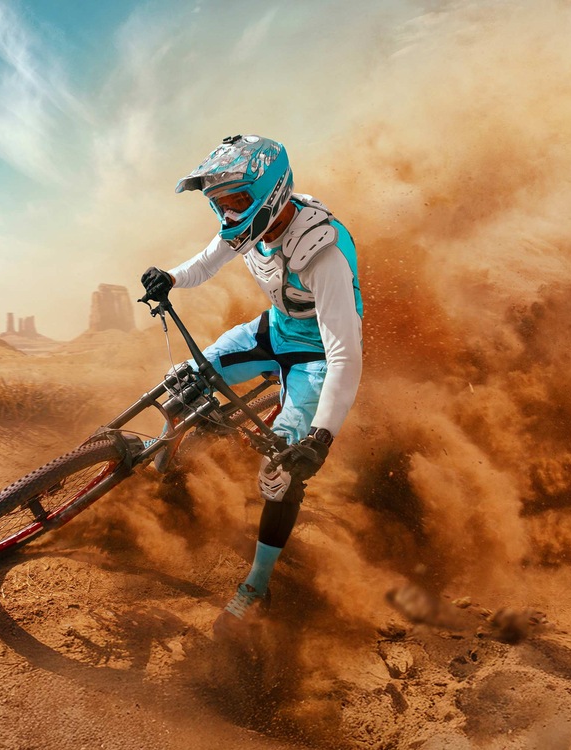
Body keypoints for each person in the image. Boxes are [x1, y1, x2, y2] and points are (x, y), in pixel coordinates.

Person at [141, 134, 363, 629]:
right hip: (274, 330)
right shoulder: (247, 225)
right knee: (183, 387)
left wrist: (320, 438)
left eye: (237, 200)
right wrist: (170, 279)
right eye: (219, 203)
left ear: (272, 190)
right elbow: (205, 262)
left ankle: (258, 586)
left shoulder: (323, 254)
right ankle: (164, 471)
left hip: (317, 356)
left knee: (280, 475)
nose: (227, 213)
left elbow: (346, 353)